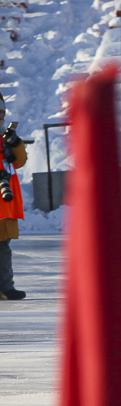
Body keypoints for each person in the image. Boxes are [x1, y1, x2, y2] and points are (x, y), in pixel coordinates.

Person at [0, 90, 27, 301]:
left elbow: (19, 162)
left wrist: (15, 143)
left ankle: (6, 288)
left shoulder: (6, 139)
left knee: (3, 248)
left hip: (5, 205)